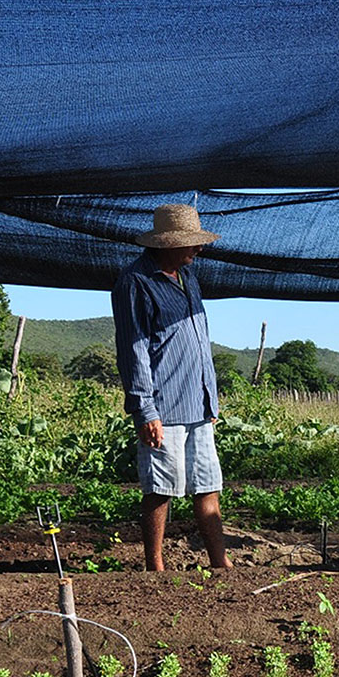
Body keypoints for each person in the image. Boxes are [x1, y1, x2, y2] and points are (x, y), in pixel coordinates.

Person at [113, 204, 231, 572]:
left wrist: (210, 397)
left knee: (207, 485)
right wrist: (145, 410)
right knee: (160, 488)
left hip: (199, 404)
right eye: (190, 244)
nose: (198, 250)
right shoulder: (136, 282)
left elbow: (199, 342)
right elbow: (134, 349)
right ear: (166, 243)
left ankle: (219, 561)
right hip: (163, 407)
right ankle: (155, 566)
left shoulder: (187, 277)